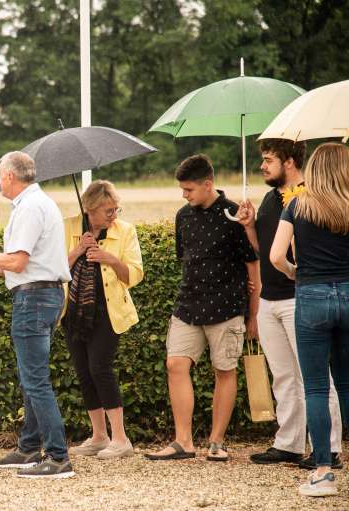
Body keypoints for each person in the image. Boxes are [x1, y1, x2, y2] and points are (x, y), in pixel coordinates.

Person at [0, 151, 74, 479]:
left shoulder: (29, 208)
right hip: (44, 294)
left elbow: (20, 262)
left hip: (34, 300)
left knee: (35, 380)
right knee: (31, 378)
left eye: (0, 174)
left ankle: (57, 456)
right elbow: (28, 262)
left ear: (10, 176)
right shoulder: (38, 203)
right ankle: (28, 447)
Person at [146, 154, 259, 462]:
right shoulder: (183, 215)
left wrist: (254, 313)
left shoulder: (235, 215)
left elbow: (253, 264)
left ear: (208, 184)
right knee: (175, 365)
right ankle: (183, 441)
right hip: (188, 305)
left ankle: (217, 442)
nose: (184, 195)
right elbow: (185, 258)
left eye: (189, 189)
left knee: (224, 370)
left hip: (227, 306)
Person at [238, 139, 343, 469]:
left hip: (300, 297)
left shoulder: (311, 197)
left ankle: (328, 448)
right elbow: (265, 250)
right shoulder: (271, 199)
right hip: (270, 298)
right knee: (282, 375)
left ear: (290, 162)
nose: (262, 166)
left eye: (269, 160)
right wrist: (250, 227)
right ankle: (289, 443)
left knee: (316, 378)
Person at [270, 142, 349, 498]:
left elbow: (275, 256)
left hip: (312, 296)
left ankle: (321, 473)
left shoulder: (297, 206)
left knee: (316, 387)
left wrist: (294, 272)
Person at [63, 180, 144, 459]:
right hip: (74, 312)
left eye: (115, 209)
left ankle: (121, 439)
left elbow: (134, 275)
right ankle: (99, 436)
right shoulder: (69, 227)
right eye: (107, 210)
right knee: (84, 372)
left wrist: (108, 258)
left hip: (109, 312)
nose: (113, 215)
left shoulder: (125, 231)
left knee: (100, 367)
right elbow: (54, 269)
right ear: (89, 209)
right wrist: (77, 251)